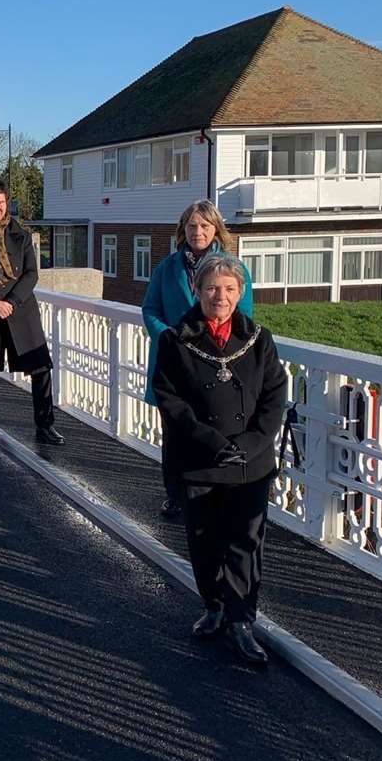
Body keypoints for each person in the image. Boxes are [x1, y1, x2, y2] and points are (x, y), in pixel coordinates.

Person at [152, 254, 285, 665]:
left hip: (250, 460)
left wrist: (253, 442)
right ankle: (214, 606)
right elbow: (169, 398)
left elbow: (274, 395)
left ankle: (242, 621)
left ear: (240, 294)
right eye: (212, 288)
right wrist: (210, 440)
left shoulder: (258, 339)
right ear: (197, 290)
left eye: (229, 289)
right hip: (200, 457)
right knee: (204, 539)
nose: (220, 296)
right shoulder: (176, 340)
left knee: (246, 541)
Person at [141, 199, 253, 520]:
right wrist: (166, 337)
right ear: (183, 230)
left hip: (214, 366)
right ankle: (175, 495)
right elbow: (151, 309)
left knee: (210, 431)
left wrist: (217, 345)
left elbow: (244, 316)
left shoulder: (234, 269)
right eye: (192, 226)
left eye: (204, 225)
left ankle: (209, 495)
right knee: (175, 434)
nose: (198, 232)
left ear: (216, 228)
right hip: (174, 366)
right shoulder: (168, 267)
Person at [0, 180, 63, 450]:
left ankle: (45, 426)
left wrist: (12, 301)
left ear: (7, 203)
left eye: (0, 203)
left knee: (41, 368)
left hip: (20, 311)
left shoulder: (21, 234)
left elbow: (32, 273)